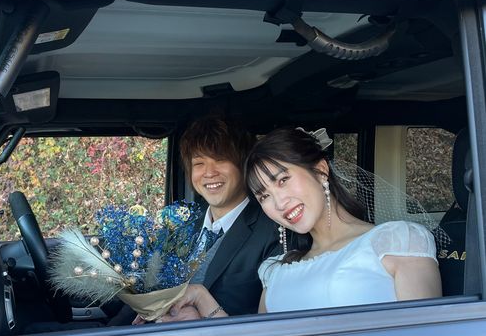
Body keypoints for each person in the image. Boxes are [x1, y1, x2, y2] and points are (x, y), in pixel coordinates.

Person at [165, 126, 442, 320]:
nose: (279, 202)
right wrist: (201, 298)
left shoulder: (397, 241)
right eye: (264, 196)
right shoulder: (275, 270)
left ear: (320, 171)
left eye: (283, 180)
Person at [130, 115, 282, 324]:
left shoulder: (273, 231)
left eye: (220, 160)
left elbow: (272, 322)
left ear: (243, 164)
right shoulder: (185, 223)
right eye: (199, 163)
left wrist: (201, 315)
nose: (209, 173)